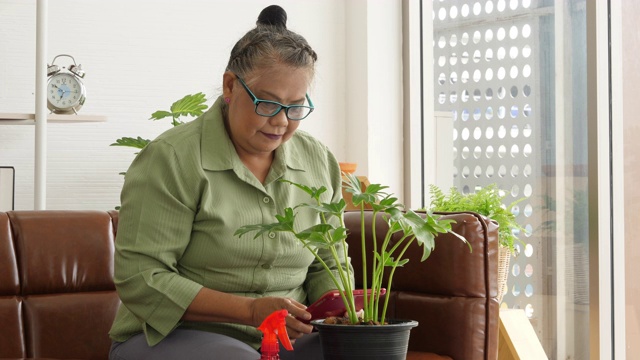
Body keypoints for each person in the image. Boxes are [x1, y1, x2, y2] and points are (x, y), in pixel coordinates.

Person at [108, 5, 351, 360]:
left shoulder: (317, 160)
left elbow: (329, 260)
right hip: (176, 337)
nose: (282, 122)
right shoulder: (173, 158)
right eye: (268, 103)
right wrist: (250, 312)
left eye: (296, 107)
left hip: (285, 341)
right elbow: (142, 278)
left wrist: (336, 311)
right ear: (230, 86)